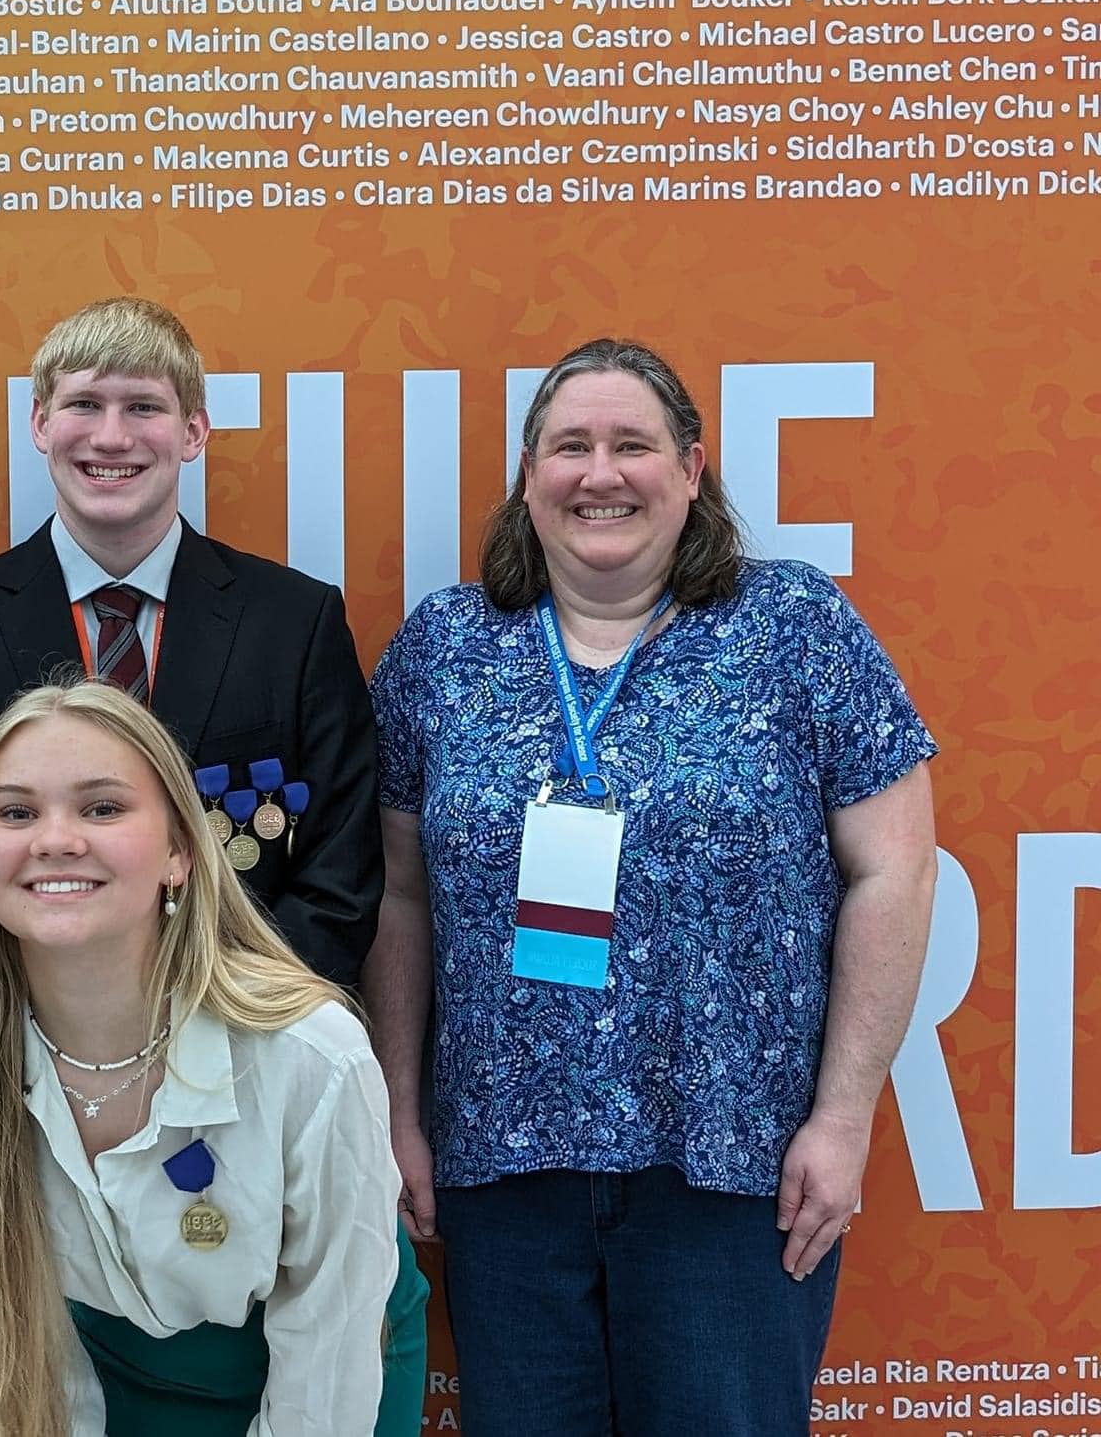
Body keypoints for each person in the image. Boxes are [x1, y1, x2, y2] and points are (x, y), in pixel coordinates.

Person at [364, 338, 938, 1435]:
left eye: (631, 444)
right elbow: (397, 896)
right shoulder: (445, 648)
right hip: (503, 1169)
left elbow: (892, 871)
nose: (599, 473)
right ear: (526, 476)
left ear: (690, 469)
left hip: (730, 1168)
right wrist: (397, 1110)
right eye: (568, 446)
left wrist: (843, 1116)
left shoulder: (792, 628)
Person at [0, 680, 427, 1437]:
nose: (54, 839)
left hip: (332, 1357)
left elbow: (328, 1341)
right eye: (15, 812)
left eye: (102, 807)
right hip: (87, 1361)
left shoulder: (310, 1052)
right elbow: (2, 1319)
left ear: (178, 850)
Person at [0, 297, 381, 994]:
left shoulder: (295, 622)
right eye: (84, 405)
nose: (111, 437)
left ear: (193, 431)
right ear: (41, 424)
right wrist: (18, 1033)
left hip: (246, 1036)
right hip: (12, 1053)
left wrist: (231, 1017)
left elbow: (338, 877)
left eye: (143, 407)